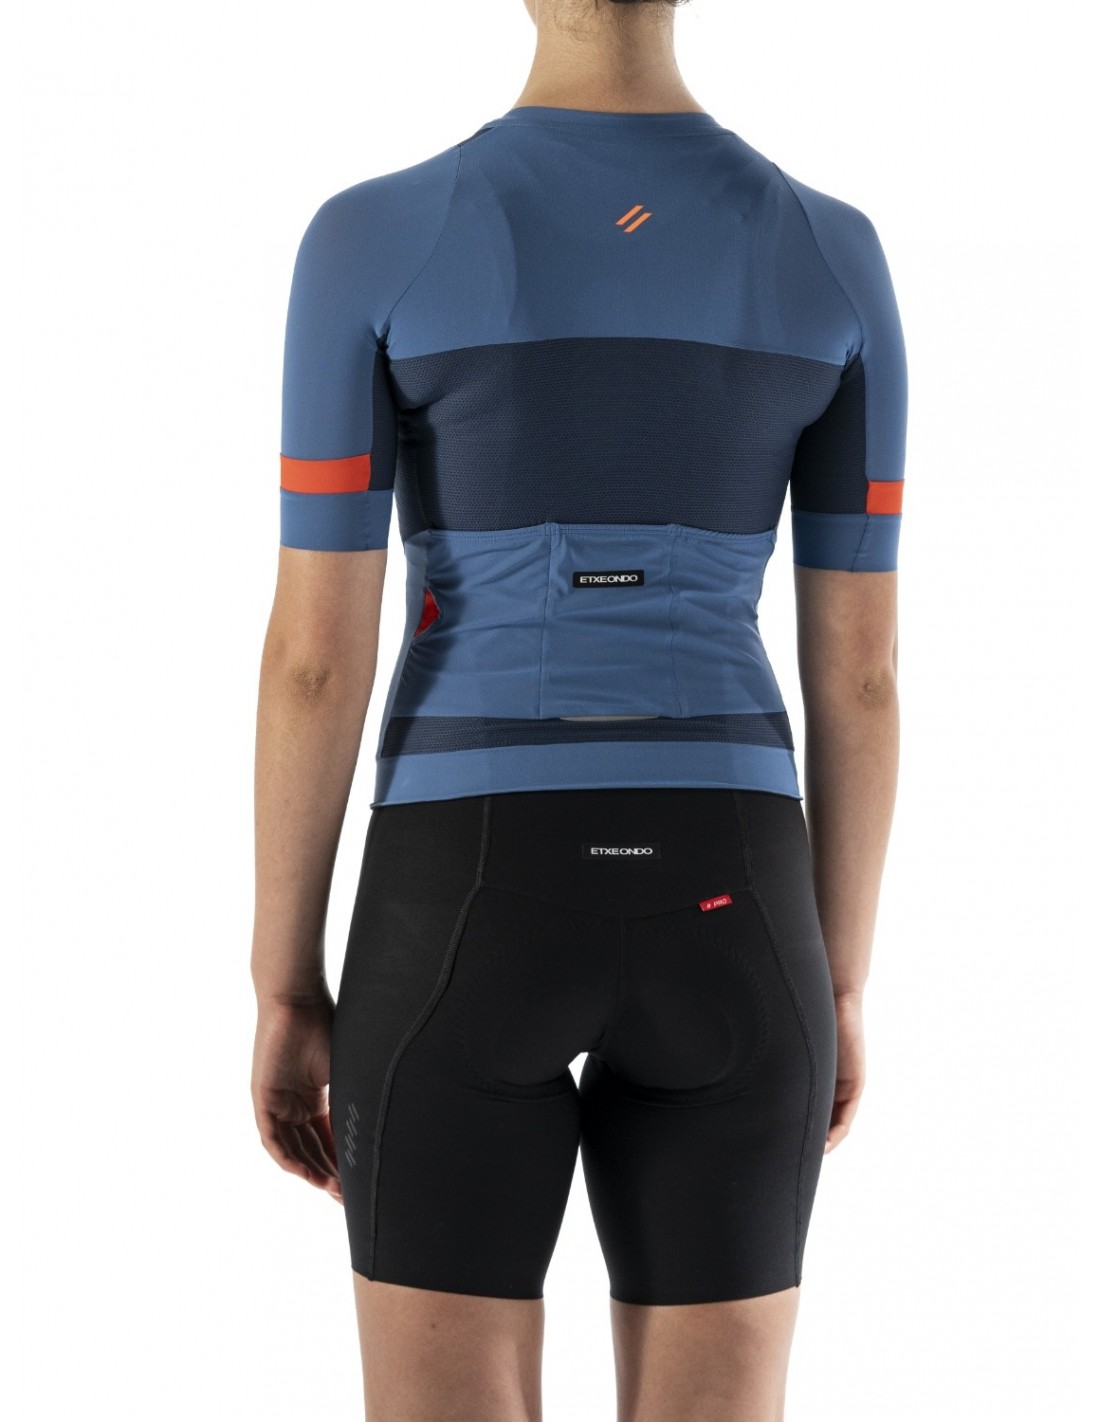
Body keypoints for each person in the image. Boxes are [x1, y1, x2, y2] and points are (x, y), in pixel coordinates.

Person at [250, 0, 906, 1416]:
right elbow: (861, 670)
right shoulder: (831, 250)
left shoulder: (374, 236)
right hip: (740, 897)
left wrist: (285, 982)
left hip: (463, 892)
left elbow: (314, 656)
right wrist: (838, 978)